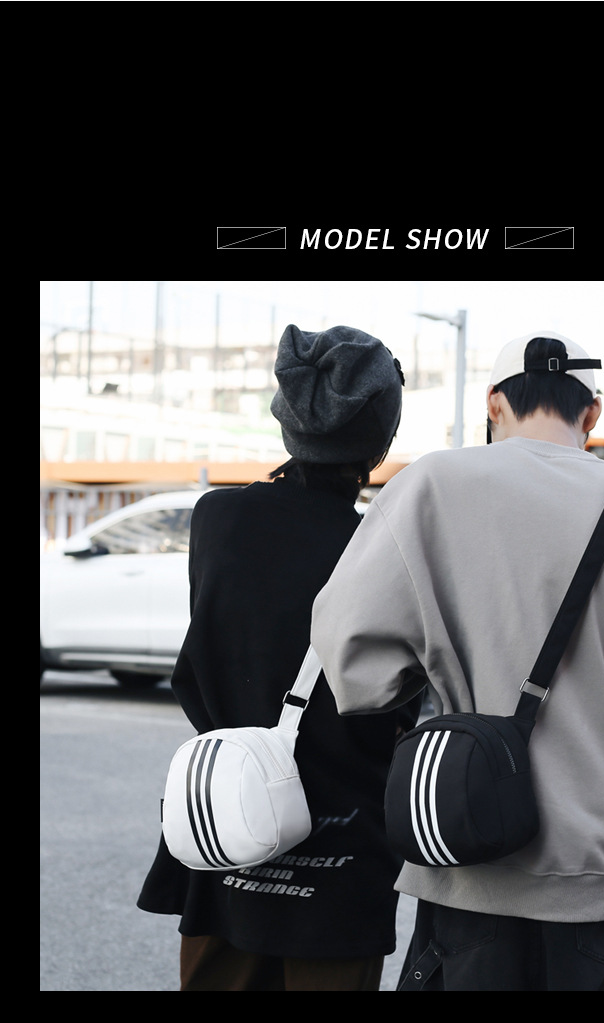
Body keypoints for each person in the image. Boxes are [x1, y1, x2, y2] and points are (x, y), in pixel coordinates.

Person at [310, 331, 604, 991]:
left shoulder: (430, 486)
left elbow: (352, 665)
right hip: (598, 879)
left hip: (464, 859)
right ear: (592, 412)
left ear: (493, 403)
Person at [137, 323, 421, 991]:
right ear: (378, 442)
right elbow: (396, 699)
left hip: (225, 819)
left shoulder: (217, 518)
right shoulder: (382, 546)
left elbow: (210, 655)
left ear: (288, 420)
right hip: (342, 842)